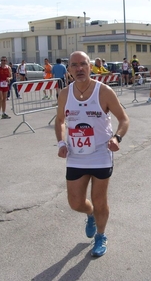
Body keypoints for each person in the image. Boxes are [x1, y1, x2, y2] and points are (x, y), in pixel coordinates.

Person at [55, 51, 129, 257]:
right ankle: (90, 215)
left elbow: (124, 119)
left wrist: (117, 138)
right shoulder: (64, 94)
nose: (79, 69)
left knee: (100, 200)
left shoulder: (103, 91)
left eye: (83, 64)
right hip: (76, 154)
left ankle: (101, 235)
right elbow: (60, 120)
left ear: (90, 67)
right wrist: (61, 142)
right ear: (69, 70)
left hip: (100, 153)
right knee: (75, 203)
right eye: (74, 65)